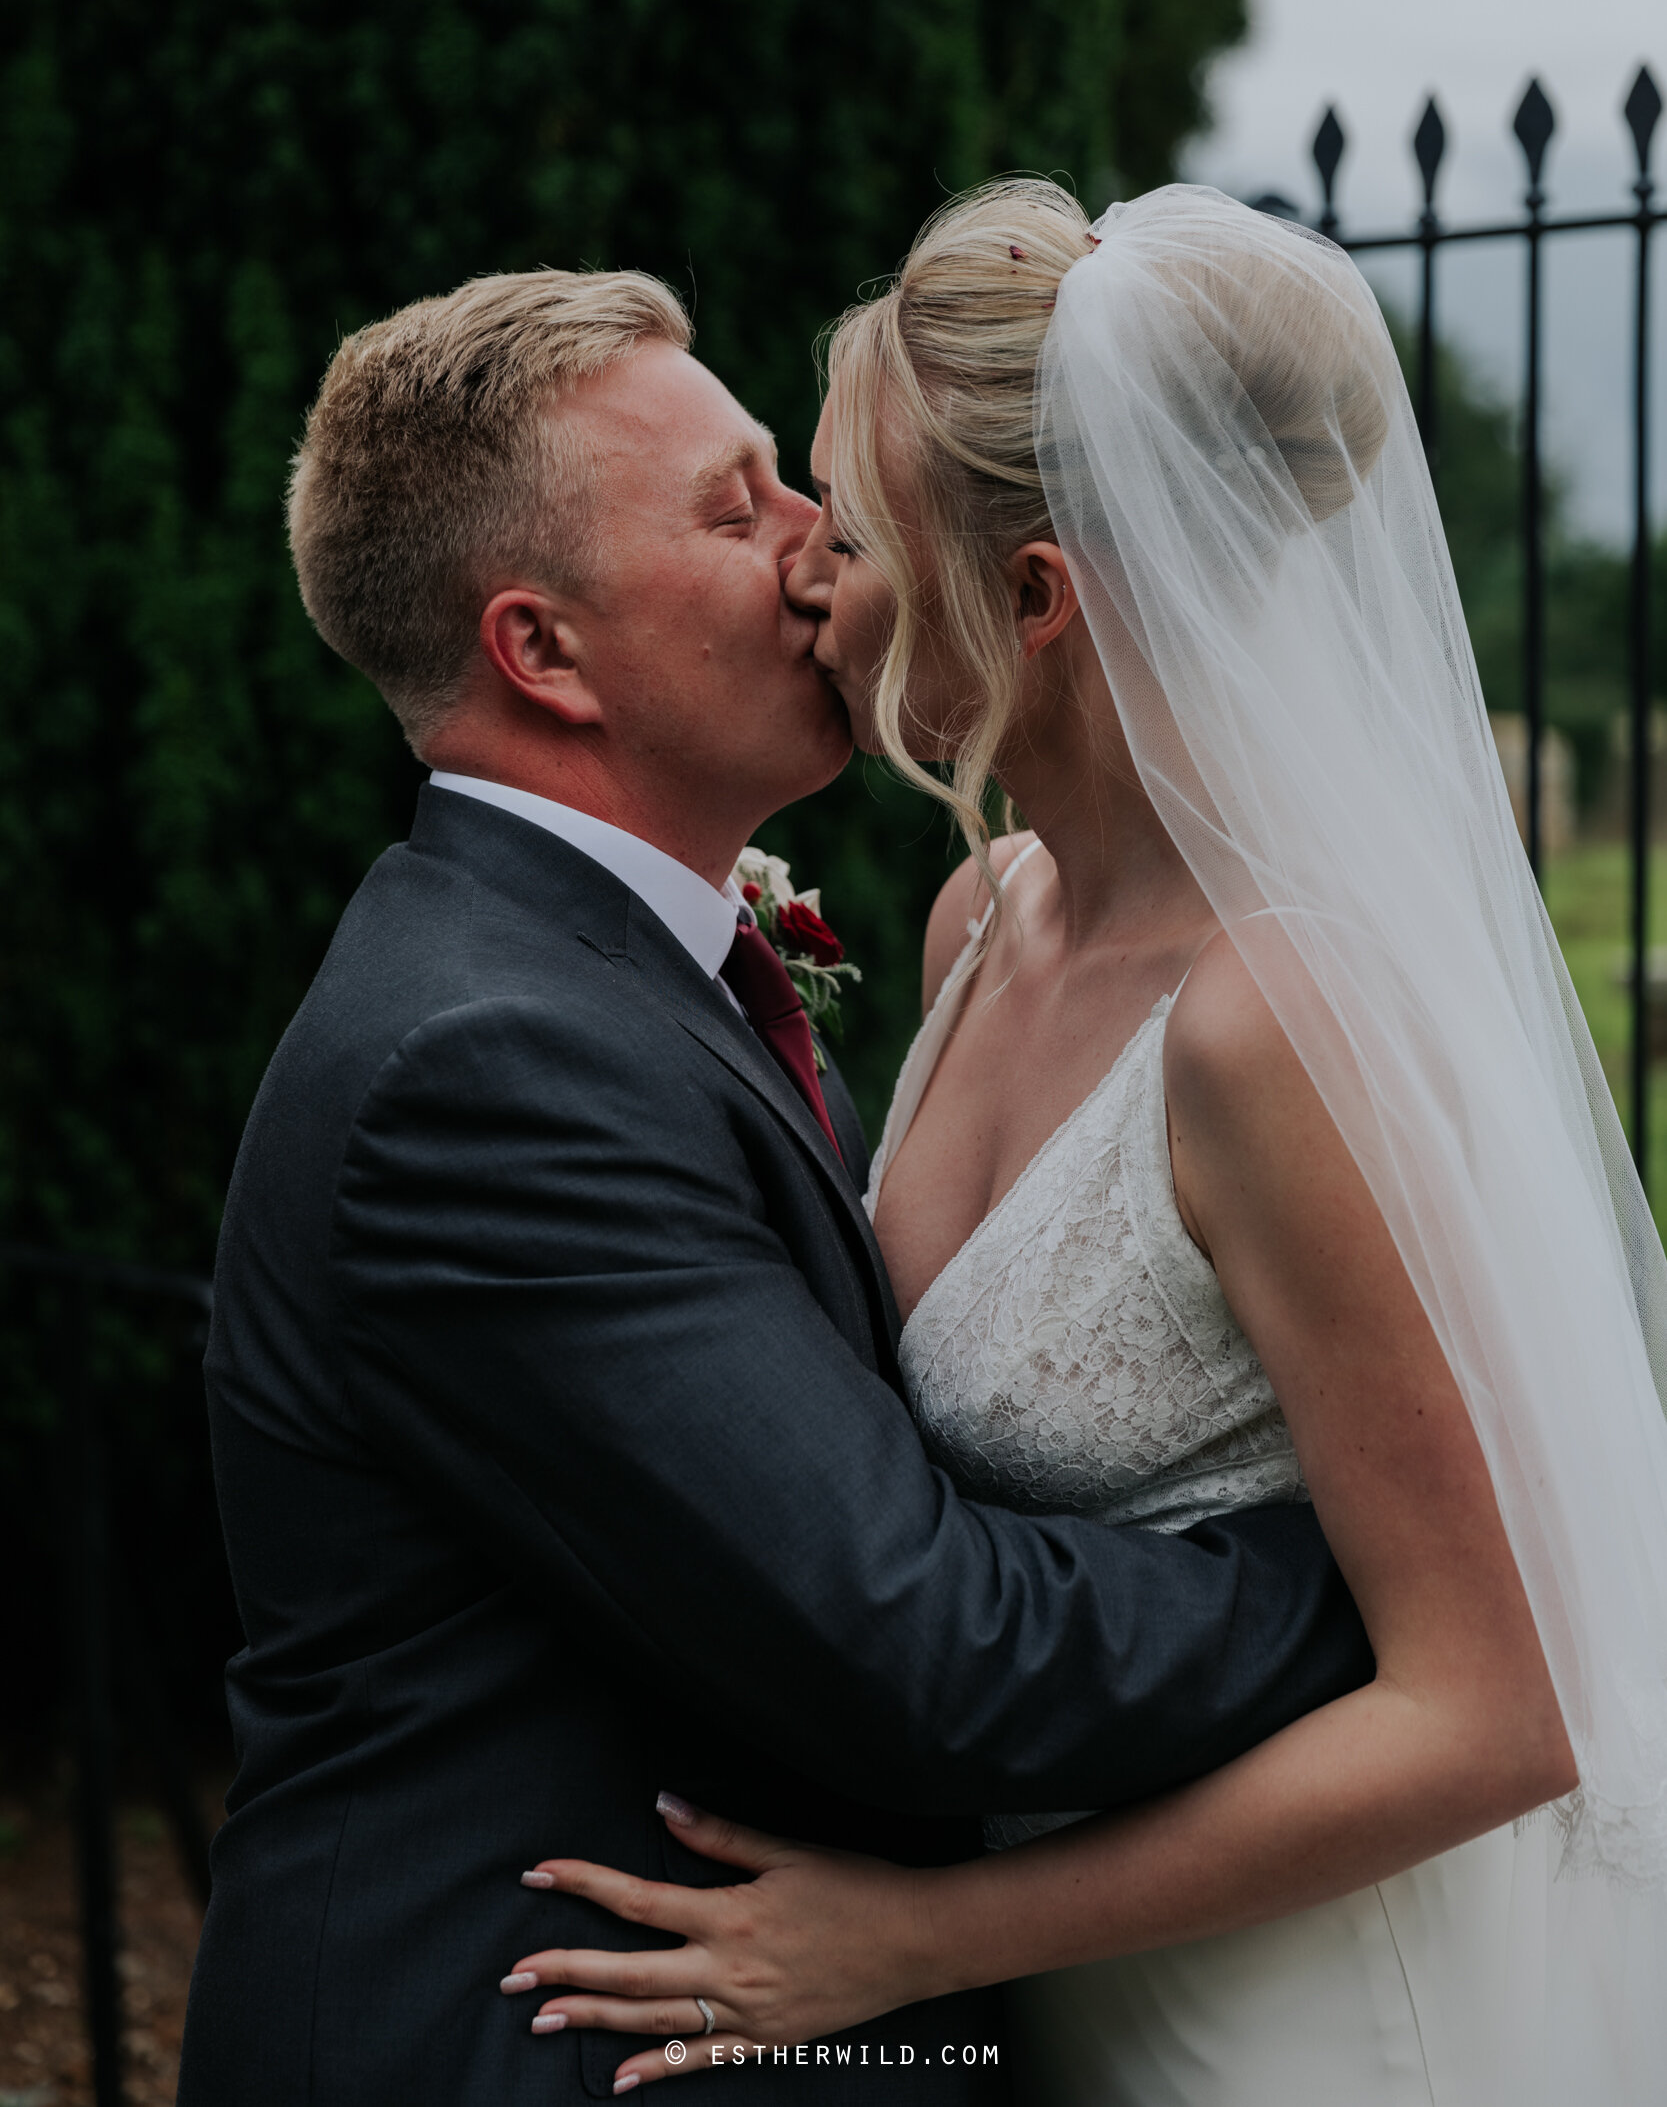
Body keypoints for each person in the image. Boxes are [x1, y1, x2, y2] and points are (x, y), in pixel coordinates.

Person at [506, 184, 1667, 2104]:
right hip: (1078, 1981)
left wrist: (914, 1944)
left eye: (851, 531)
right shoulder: (983, 921)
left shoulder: (1276, 1027)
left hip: (1308, 2004)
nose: (804, 575)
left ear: (1031, 598)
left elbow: (1501, 1711)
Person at [177, 263, 1375, 2107]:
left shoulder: (609, 967)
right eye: (739, 508)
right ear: (544, 653)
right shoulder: (487, 1064)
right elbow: (919, 1645)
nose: (827, 542)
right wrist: (1377, 1583)